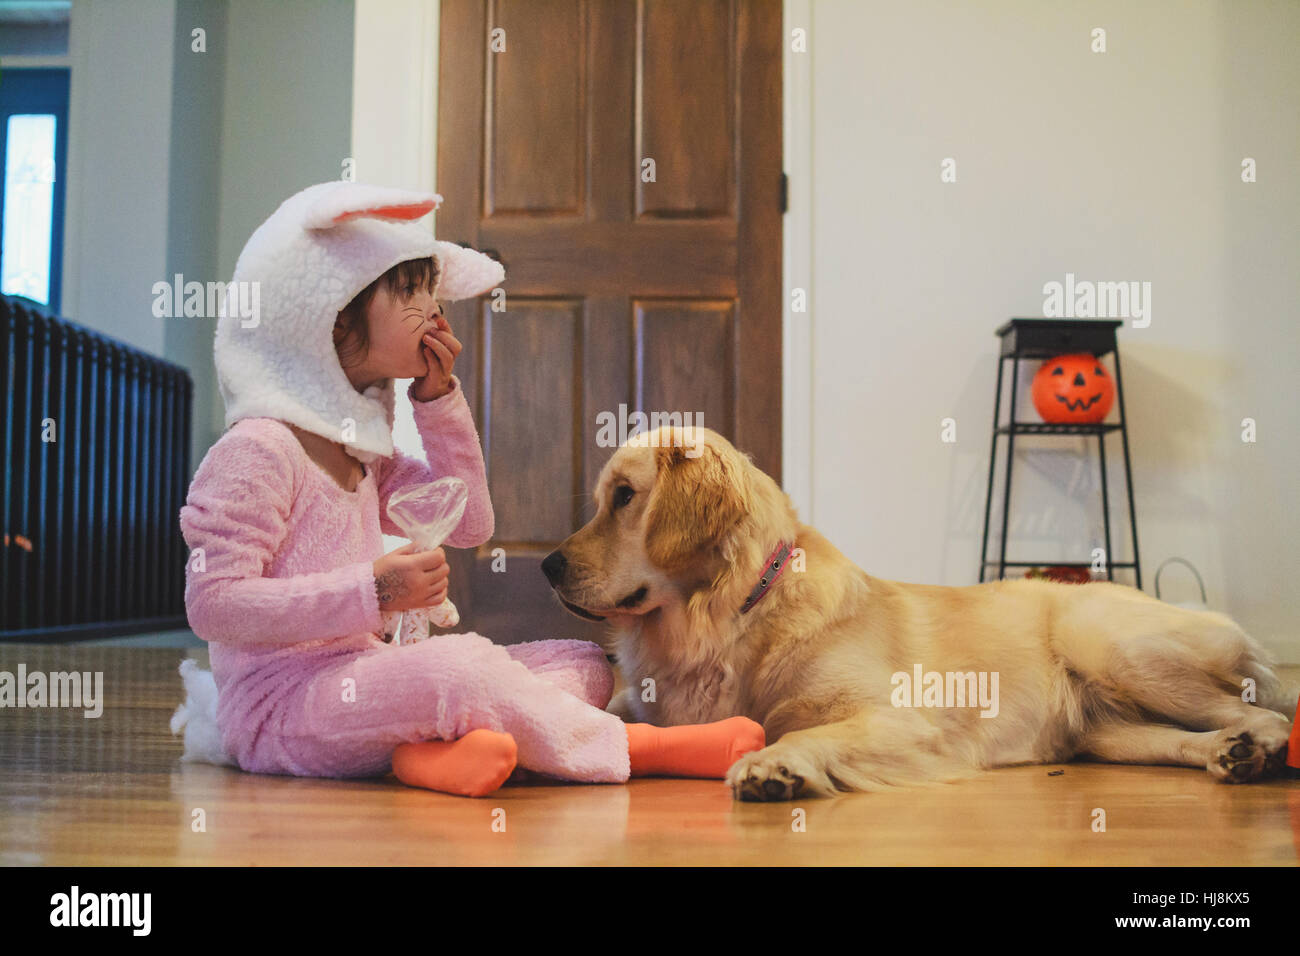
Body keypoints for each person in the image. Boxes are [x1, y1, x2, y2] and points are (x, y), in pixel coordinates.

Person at [178, 181, 764, 797]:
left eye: (432, 292)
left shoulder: (361, 452)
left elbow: (469, 523)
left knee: (583, 664)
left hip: (364, 679)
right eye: (409, 292)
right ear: (331, 312)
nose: (434, 311)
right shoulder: (258, 451)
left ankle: (422, 758)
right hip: (282, 710)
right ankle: (641, 750)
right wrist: (372, 590)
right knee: (456, 670)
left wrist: (435, 401)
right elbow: (213, 603)